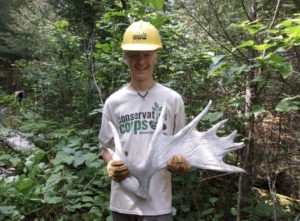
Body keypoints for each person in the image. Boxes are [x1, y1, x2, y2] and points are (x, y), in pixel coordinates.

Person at [98, 20, 191, 221]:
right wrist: (110, 164)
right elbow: (105, 147)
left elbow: (182, 147)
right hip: (123, 203)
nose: (141, 61)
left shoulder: (172, 99)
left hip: (159, 204)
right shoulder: (114, 102)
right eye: (134, 55)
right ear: (125, 57)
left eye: (147, 55)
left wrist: (182, 163)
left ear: (156, 56)